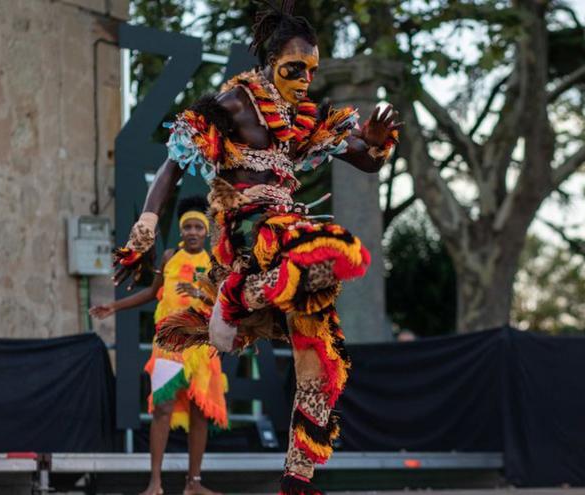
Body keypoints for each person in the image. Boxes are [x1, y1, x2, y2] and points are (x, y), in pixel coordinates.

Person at [111, 3, 399, 492]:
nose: (305, 79)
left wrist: (374, 143)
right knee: (327, 250)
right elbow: (173, 162)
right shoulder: (237, 103)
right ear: (270, 63)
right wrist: (144, 228)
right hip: (248, 229)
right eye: (293, 69)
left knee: (323, 352)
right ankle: (235, 297)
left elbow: (364, 161)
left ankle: (297, 476)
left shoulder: (300, 117)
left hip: (286, 228)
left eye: (311, 69)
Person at [92, 197, 227, 495]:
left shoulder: (215, 263)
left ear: (205, 232)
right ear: (181, 230)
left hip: (202, 344)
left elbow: (226, 303)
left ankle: (193, 483)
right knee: (162, 407)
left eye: (197, 227)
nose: (192, 232)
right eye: (187, 227)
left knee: (200, 411)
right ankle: (155, 482)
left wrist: (200, 292)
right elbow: (152, 293)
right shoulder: (168, 257)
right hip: (169, 342)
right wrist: (114, 306)